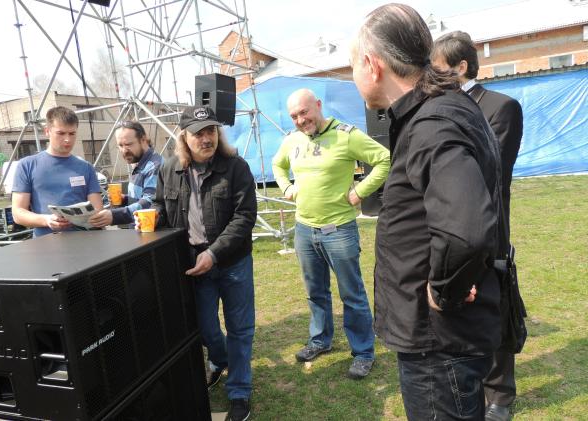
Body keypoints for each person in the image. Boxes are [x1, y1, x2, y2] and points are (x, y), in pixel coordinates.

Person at [351, 4, 503, 419]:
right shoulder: (439, 109)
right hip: (440, 337)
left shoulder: (433, 122)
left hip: (438, 341)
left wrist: (444, 290)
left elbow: (466, 230)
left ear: (372, 64)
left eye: (353, 65)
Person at [432, 30, 524, 421]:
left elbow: (492, 172)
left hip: (487, 227)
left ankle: (500, 393)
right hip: (447, 223)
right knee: (458, 303)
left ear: (462, 66)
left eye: (438, 70)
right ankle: (468, 378)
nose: (432, 78)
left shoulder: (501, 107)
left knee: (493, 304)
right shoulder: (438, 108)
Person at [272, 88, 390, 379]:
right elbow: (277, 164)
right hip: (304, 230)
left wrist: (360, 191)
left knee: (352, 294)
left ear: (318, 105)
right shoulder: (293, 140)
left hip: (339, 230)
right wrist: (287, 188)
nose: (301, 120)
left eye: (304, 112)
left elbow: (384, 159)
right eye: (294, 116)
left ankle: (363, 352)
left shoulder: (346, 135)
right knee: (315, 292)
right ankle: (320, 340)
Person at [150, 106, 256, 421]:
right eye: (198, 133)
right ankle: (220, 360)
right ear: (184, 137)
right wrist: (151, 218)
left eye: (211, 131)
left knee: (240, 329)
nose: (206, 138)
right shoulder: (169, 169)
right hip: (194, 263)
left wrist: (214, 253)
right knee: (205, 328)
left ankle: (239, 391)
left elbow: (244, 216)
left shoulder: (236, 167)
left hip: (233, 261)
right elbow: (160, 205)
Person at [12, 106, 103, 237]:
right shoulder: (27, 165)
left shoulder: (86, 168)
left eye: (72, 134)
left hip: (84, 241)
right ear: (47, 131)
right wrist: (46, 220)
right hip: (46, 243)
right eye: (61, 133)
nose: (67, 139)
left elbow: (97, 210)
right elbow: (18, 213)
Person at [89, 120, 164, 228]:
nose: (124, 150)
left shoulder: (154, 166)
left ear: (143, 140)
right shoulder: (141, 163)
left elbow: (150, 203)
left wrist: (114, 216)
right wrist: (124, 199)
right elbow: (141, 197)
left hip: (152, 232)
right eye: (120, 145)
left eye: (128, 144)